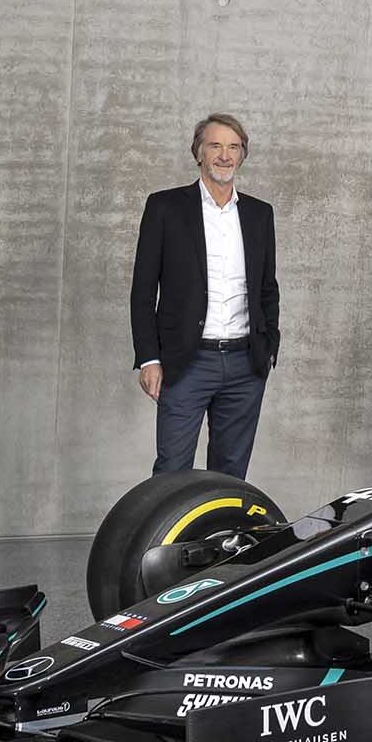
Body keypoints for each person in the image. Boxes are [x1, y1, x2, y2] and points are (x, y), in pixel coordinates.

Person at [131, 113, 282, 481]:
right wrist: (149, 358)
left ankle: (219, 540)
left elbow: (267, 287)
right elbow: (143, 289)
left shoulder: (259, 214)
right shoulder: (166, 208)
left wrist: (269, 344)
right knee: (172, 471)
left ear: (242, 155)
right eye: (215, 145)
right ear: (199, 152)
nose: (225, 155)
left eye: (234, 147)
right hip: (187, 361)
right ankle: (167, 540)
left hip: (246, 363)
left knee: (230, 474)